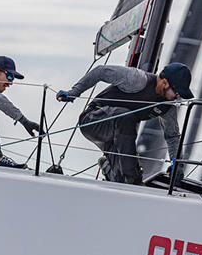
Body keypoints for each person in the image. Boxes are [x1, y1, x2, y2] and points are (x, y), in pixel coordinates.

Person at [56, 63, 194, 185]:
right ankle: (132, 176)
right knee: (126, 118)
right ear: (164, 83)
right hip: (93, 121)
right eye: (176, 92)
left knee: (122, 182)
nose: (177, 97)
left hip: (116, 136)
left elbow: (172, 136)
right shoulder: (137, 79)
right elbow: (100, 71)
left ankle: (110, 169)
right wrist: (74, 92)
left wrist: (177, 164)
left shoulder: (167, 106)